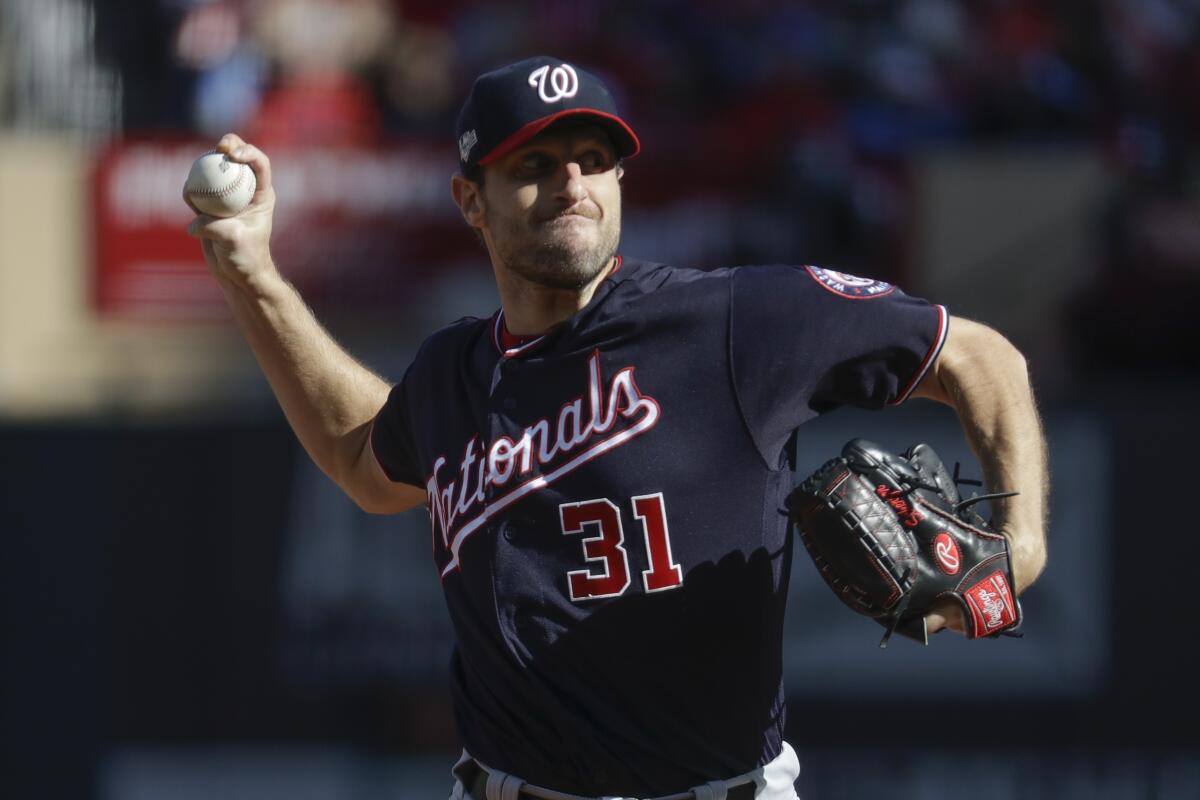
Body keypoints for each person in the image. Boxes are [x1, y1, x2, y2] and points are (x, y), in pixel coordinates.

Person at [185, 55, 1048, 800]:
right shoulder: (452, 372)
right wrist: (252, 273)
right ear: (470, 200)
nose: (572, 186)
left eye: (594, 160)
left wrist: (1022, 543)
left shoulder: (737, 321)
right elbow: (361, 460)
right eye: (535, 163)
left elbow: (981, 358)